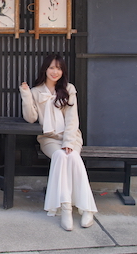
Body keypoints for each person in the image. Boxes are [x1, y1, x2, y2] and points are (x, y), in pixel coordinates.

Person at [19, 54, 97, 231]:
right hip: (49, 139)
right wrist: (26, 94)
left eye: (59, 68)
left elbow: (72, 119)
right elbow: (31, 118)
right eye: (52, 68)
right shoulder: (37, 91)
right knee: (61, 157)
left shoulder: (69, 89)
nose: (55, 72)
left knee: (73, 158)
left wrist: (69, 141)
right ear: (45, 69)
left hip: (71, 137)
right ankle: (66, 209)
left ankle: (86, 209)